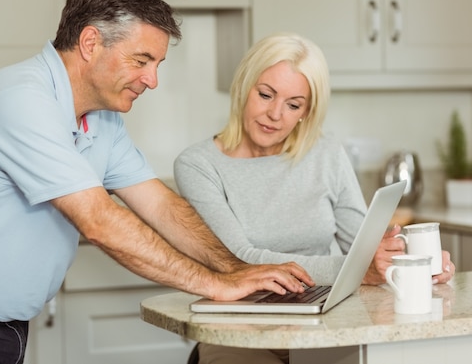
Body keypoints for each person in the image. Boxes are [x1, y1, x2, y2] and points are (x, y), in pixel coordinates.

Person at [0, 0, 313, 364]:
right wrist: (216, 285)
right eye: (142, 60)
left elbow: (159, 205)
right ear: (91, 43)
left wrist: (236, 268)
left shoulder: (102, 117)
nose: (152, 80)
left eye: (157, 65)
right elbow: (99, 220)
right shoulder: (21, 99)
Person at [173, 33, 455, 364]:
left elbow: (363, 244)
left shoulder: (327, 155)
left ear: (306, 111)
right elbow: (239, 259)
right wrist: (358, 270)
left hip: (326, 324)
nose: (275, 114)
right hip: (240, 327)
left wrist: (416, 263)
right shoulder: (198, 165)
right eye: (265, 95)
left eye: (293, 104)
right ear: (243, 87)